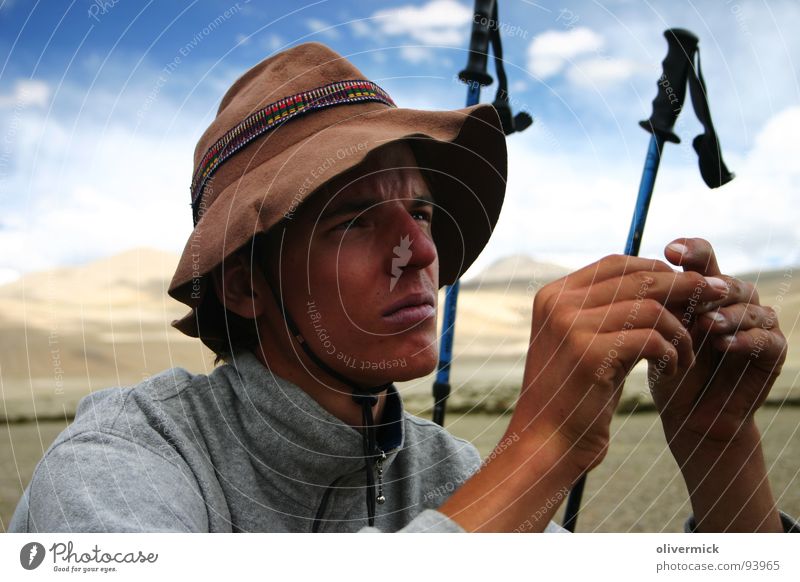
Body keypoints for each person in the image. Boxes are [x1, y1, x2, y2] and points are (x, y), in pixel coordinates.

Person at [9, 42, 796, 533]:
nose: (422, 249)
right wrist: (541, 449)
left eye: (420, 211)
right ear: (247, 284)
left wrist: (718, 447)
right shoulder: (123, 461)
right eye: (356, 219)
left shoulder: (449, 474)